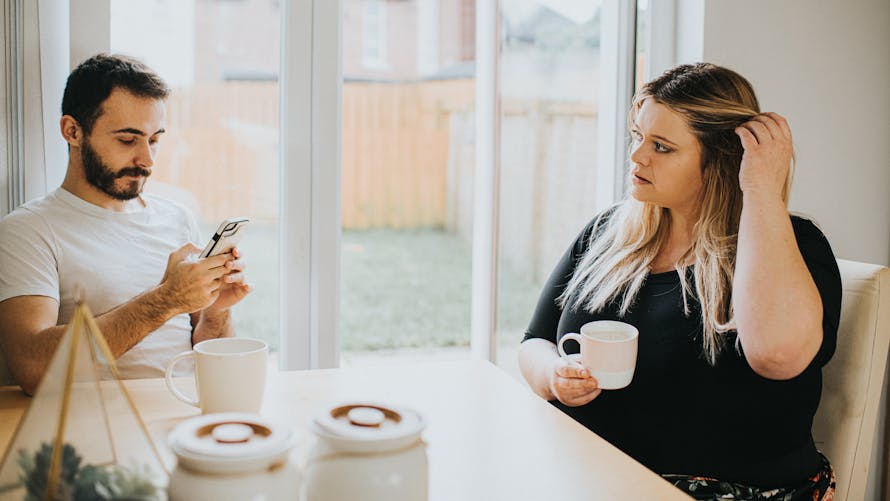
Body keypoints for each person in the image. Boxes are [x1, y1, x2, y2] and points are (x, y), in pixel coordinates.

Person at [519, 63, 840, 500]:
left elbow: (777, 357)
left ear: (722, 159)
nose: (637, 156)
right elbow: (534, 341)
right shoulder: (607, 232)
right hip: (593, 476)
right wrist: (554, 375)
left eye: (663, 147)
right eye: (638, 136)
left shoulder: (793, 245)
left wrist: (761, 189)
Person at [0, 54, 252, 395]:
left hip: (188, 415)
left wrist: (216, 312)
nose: (147, 160)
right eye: (127, 140)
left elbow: (209, 359)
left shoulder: (177, 218)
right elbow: (32, 368)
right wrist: (166, 299)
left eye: (155, 139)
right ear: (72, 131)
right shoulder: (28, 231)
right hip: (101, 432)